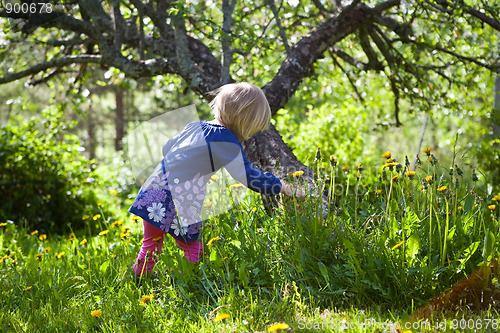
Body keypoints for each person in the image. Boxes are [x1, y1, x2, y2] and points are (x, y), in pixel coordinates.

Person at [129, 82, 303, 276]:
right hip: (178, 200)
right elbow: (247, 176)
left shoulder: (195, 126)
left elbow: (167, 149)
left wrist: (193, 169)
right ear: (245, 121)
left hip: (153, 190)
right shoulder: (226, 140)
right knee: (193, 248)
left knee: (151, 245)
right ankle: (184, 285)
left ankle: (138, 282)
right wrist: (280, 186)